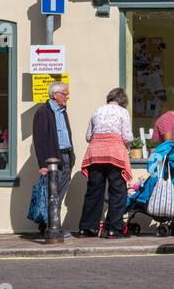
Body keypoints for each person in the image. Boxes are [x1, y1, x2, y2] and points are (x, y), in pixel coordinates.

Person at [79, 87, 134, 237]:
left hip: (95, 154)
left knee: (94, 191)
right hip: (114, 154)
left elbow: (88, 136)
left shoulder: (97, 111)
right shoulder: (123, 112)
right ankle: (113, 229)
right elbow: (128, 137)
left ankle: (87, 228)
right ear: (123, 101)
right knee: (117, 191)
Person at [29, 81, 75, 233]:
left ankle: (51, 224)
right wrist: (42, 164)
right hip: (53, 159)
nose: (67, 97)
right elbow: (39, 139)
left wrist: (71, 156)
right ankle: (51, 227)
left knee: (59, 193)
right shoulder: (43, 112)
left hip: (66, 156)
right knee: (51, 193)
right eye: (65, 94)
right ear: (55, 95)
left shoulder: (64, 111)